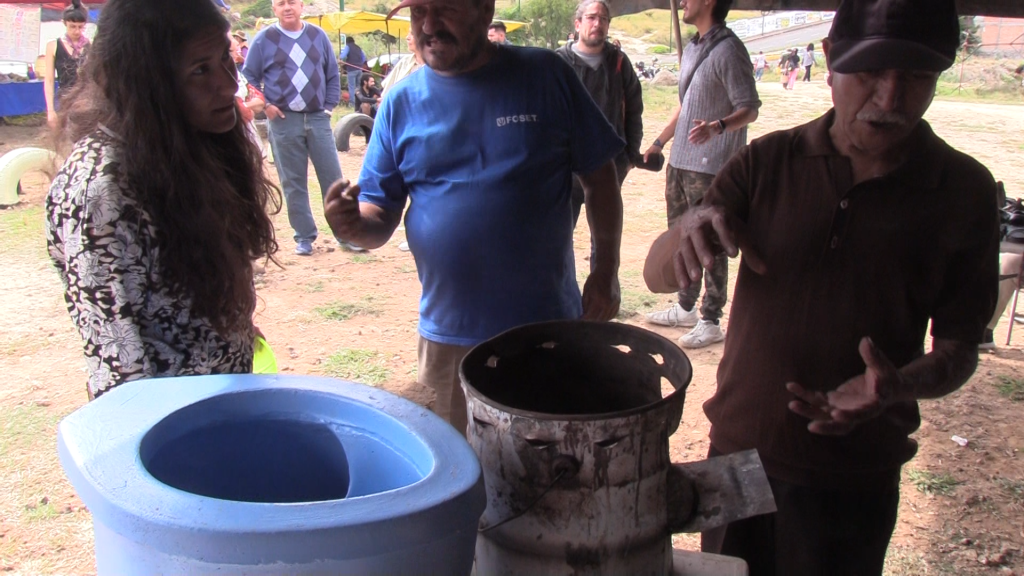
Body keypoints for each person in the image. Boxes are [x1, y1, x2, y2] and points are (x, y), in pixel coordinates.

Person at [642, 0, 998, 572]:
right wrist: (687, 227)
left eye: (915, 77)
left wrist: (897, 386)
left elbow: (959, 351)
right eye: (870, 73)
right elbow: (655, 275)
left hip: (856, 477)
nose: (889, 98)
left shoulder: (963, 192)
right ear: (829, 59)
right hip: (739, 457)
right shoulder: (766, 163)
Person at [324, 0, 625, 435]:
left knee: (552, 467)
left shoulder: (545, 75)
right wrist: (353, 224)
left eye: (445, 9)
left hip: (546, 330)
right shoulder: (400, 102)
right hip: (448, 340)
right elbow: (378, 218)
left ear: (485, 12)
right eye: (418, 12)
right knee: (459, 476)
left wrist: (606, 270)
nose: (429, 25)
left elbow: (601, 178)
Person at [46, 0, 280, 400]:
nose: (227, 84)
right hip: (169, 430)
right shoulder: (99, 189)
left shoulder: (183, 142)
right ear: (147, 83)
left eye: (224, 58)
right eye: (199, 70)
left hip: (224, 402)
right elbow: (118, 371)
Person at [642, 0, 760, 349]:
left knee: (710, 241)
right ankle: (686, 305)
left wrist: (718, 126)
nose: (682, 3)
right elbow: (686, 103)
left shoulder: (729, 50)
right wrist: (660, 142)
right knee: (681, 236)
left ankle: (711, 318)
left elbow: (749, 108)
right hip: (680, 161)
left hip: (711, 165)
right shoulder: (695, 46)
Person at [243, 0, 357, 255]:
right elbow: (248, 76)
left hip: (317, 117)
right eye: (280, 3)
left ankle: (346, 233)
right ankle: (304, 236)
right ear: (274, 9)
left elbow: (331, 74)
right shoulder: (264, 39)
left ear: (301, 6)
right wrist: (266, 104)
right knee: (293, 180)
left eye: (291, 1)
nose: (287, 7)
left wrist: (328, 108)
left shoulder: (318, 36)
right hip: (284, 120)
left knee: (333, 178)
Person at [555, 0, 642, 267]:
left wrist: (629, 157)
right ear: (578, 23)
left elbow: (634, 110)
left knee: (604, 243)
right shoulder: (558, 62)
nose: (598, 24)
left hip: (608, 169)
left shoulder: (619, 62)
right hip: (564, 172)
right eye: (592, 18)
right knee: (557, 239)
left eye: (604, 19)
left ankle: (601, 299)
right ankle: (562, 299)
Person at [44, 0, 90, 130]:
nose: (76, 31)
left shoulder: (90, 46)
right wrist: (51, 110)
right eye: (72, 26)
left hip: (86, 102)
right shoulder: (53, 45)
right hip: (65, 102)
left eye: (80, 27)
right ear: (64, 23)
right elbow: (49, 80)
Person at [381, 31, 424, 97]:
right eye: (408, 34)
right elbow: (387, 92)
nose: (407, 37)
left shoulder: (437, 66)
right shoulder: (405, 61)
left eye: (412, 34)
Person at [340, 35, 368, 107]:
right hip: (359, 69)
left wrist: (340, 59)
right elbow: (364, 58)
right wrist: (359, 64)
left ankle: (352, 104)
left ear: (347, 42)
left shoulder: (348, 46)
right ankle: (359, 102)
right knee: (358, 86)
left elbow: (342, 56)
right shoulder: (358, 48)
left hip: (352, 69)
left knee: (351, 86)